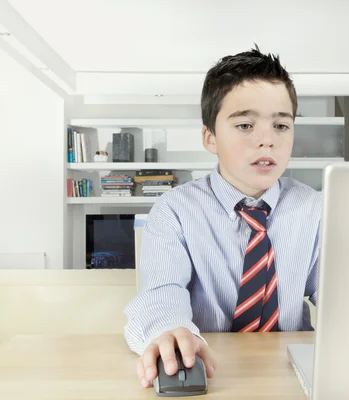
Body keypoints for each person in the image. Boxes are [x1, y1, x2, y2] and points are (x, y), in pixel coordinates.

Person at [123, 46, 321, 389]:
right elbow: (161, 291)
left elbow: (343, 297)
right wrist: (171, 331)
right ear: (209, 137)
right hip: (213, 372)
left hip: (293, 375)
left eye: (281, 125)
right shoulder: (174, 211)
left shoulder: (316, 208)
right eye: (245, 125)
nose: (267, 141)